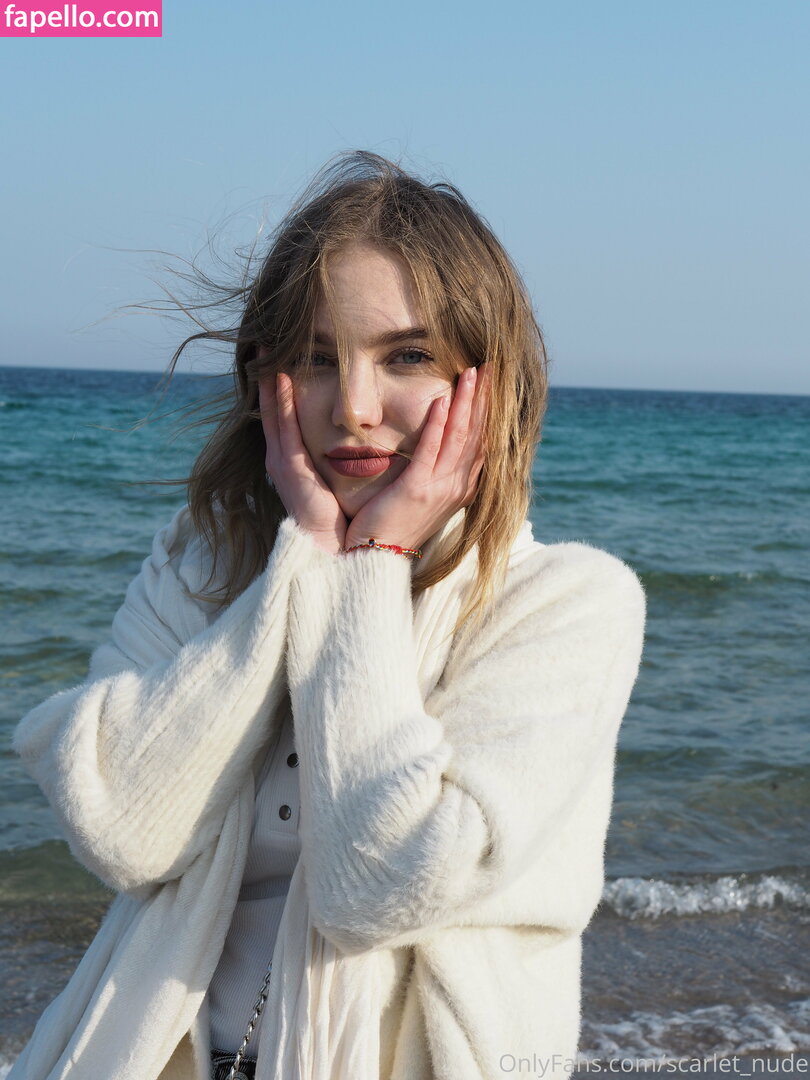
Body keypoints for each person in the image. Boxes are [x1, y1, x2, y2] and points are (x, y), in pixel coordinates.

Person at [10, 151, 646, 1080]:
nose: (352, 407)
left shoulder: (567, 604)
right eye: (315, 358)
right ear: (268, 378)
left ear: (491, 379)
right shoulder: (200, 565)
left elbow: (378, 886)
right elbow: (122, 833)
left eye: (407, 356)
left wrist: (373, 564)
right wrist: (302, 561)